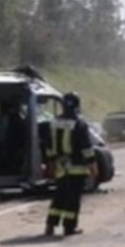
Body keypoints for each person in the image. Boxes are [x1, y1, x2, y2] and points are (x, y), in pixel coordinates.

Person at [44, 92, 97, 236]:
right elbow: (86, 147)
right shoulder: (79, 123)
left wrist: (51, 163)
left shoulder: (54, 122)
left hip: (60, 165)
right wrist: (92, 165)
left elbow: (48, 146)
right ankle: (69, 227)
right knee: (73, 199)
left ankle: (50, 225)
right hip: (77, 165)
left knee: (59, 196)